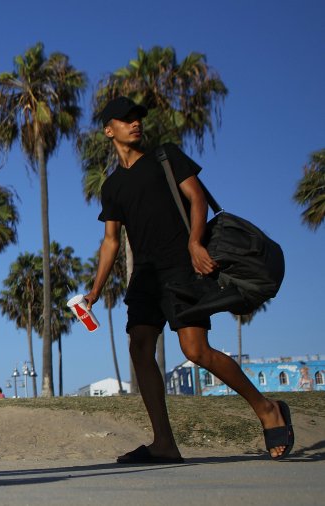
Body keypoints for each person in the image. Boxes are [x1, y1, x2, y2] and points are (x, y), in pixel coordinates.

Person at [84, 97, 294, 463]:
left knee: (195, 351)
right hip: (145, 276)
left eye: (138, 118)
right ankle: (164, 442)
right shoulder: (113, 187)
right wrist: (96, 289)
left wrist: (195, 242)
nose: (136, 123)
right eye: (126, 119)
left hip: (182, 267)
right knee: (139, 348)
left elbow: (197, 198)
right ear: (108, 129)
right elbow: (111, 241)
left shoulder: (165, 157)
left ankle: (267, 408)